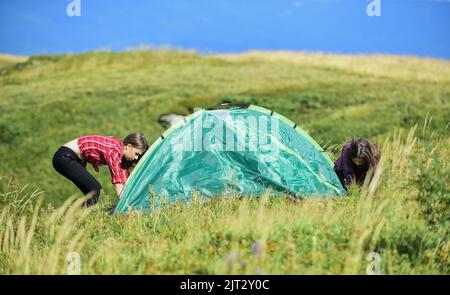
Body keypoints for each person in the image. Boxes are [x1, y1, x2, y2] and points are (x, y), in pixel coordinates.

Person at [52, 133, 149, 207]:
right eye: (136, 153)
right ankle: (80, 218)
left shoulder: (119, 153)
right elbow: (118, 184)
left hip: (72, 159)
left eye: (138, 156)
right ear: (128, 146)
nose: (136, 158)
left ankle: (82, 218)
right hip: (64, 157)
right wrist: (127, 206)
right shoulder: (114, 151)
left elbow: (124, 181)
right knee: (95, 190)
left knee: (92, 193)